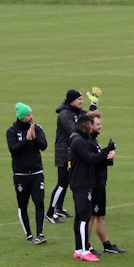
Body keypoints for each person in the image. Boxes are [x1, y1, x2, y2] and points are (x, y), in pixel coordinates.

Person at [46, 88, 98, 224]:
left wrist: (94, 104)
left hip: (71, 152)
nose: (81, 102)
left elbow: (88, 117)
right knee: (62, 182)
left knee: (67, 181)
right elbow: (74, 130)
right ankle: (50, 213)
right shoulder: (64, 114)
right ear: (71, 101)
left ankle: (59, 209)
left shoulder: (75, 112)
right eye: (79, 99)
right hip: (64, 152)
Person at [69, 112, 115, 262]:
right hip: (82, 184)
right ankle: (84, 250)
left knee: (79, 218)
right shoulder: (79, 141)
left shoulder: (79, 139)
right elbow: (91, 158)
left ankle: (78, 249)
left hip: (80, 182)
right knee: (84, 218)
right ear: (85, 126)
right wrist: (107, 151)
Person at [6, 102, 48, 245]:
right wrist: (26, 139)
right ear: (21, 116)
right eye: (28, 115)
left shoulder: (37, 128)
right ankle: (29, 235)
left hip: (37, 172)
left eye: (31, 114)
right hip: (21, 174)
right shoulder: (11, 132)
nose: (31, 117)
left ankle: (40, 234)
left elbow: (44, 146)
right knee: (23, 204)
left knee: (39, 202)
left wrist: (34, 137)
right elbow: (14, 150)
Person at [87, 110, 125, 254]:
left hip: (100, 183)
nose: (100, 126)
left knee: (100, 216)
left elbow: (98, 159)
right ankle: (87, 245)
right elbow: (93, 161)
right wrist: (107, 155)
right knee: (91, 216)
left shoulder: (93, 141)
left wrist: (108, 157)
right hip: (94, 184)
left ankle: (106, 245)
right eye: (97, 124)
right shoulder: (88, 142)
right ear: (90, 125)